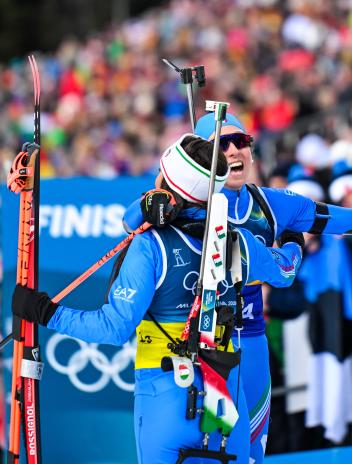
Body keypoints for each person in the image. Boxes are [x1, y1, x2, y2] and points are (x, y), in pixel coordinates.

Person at [124, 112, 352, 463]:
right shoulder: (181, 202)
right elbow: (133, 220)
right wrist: (147, 204)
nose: (236, 150)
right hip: (196, 354)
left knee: (249, 455)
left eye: (243, 142)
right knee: (198, 452)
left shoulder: (273, 205)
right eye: (223, 144)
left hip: (249, 345)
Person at [12, 134, 303, 464]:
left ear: (168, 182)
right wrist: (293, 240)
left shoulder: (150, 245)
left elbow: (114, 328)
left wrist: (45, 312)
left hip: (165, 400)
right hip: (222, 402)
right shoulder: (239, 239)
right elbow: (286, 270)